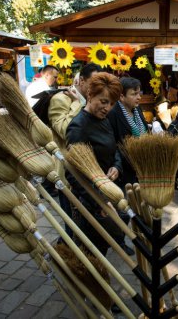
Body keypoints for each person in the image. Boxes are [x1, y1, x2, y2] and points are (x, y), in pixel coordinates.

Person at [66, 72, 133, 256]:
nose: (107, 108)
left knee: (103, 247)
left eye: (111, 104)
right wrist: (98, 204)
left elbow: (115, 150)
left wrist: (116, 167)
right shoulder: (78, 126)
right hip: (89, 200)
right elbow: (72, 173)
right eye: (103, 101)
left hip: (108, 191)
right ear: (90, 95)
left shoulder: (104, 121)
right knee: (92, 254)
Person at [48, 63, 101, 239]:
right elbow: (63, 130)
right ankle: (67, 257)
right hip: (69, 174)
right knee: (72, 225)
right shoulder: (60, 99)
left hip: (90, 171)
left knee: (89, 223)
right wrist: (78, 105)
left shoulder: (94, 100)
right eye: (93, 83)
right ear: (82, 80)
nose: (96, 88)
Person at [108, 77, 148, 191]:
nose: (139, 97)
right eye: (134, 94)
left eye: (139, 93)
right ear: (121, 96)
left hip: (142, 166)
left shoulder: (137, 109)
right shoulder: (113, 113)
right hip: (125, 170)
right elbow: (114, 143)